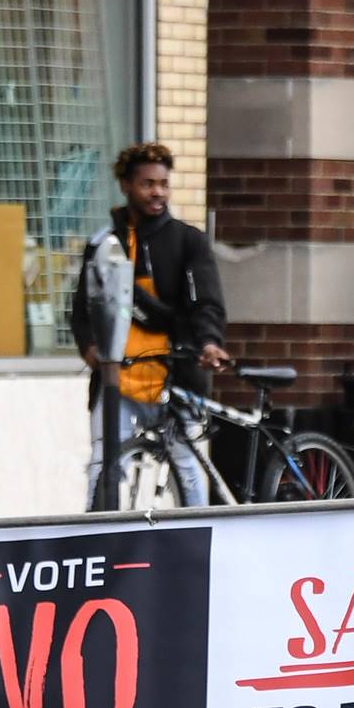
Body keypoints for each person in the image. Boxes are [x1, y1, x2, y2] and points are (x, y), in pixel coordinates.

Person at [67, 141, 228, 509]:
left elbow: (207, 303)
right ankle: (99, 537)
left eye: (163, 183)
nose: (157, 192)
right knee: (105, 465)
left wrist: (209, 342)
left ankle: (199, 536)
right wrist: (90, 349)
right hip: (118, 378)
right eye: (147, 183)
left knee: (186, 468)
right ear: (125, 185)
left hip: (175, 374)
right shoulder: (104, 244)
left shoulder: (189, 241)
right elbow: (81, 308)